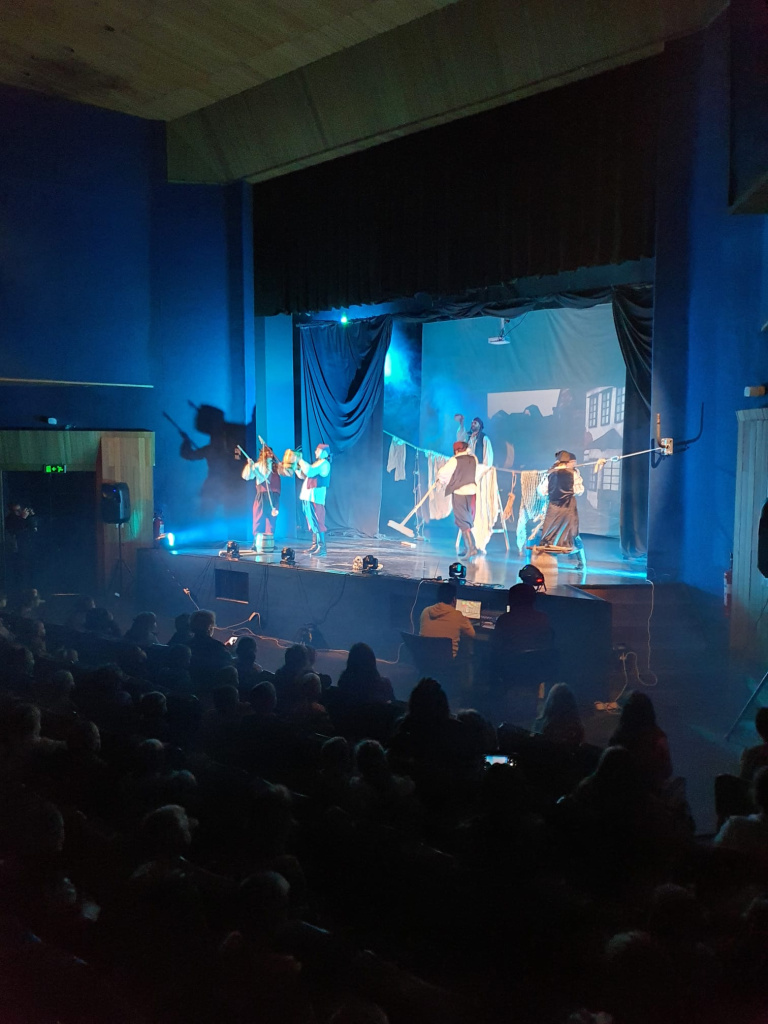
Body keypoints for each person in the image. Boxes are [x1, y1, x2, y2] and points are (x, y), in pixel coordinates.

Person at [537, 450, 586, 569]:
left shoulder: (550, 473)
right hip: (567, 508)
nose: (574, 464)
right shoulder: (573, 474)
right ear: (568, 462)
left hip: (554, 508)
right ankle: (581, 563)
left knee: (550, 535)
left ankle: (547, 564)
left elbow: (541, 491)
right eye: (573, 462)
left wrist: (554, 493)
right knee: (573, 534)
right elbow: (579, 490)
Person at [437, 440, 480, 558]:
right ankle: (469, 547)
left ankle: (471, 549)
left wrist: (442, 480)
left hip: (460, 492)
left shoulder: (455, 460)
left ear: (456, 450)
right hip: (472, 492)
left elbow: (442, 473)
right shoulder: (473, 458)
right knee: (467, 519)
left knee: (462, 520)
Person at [241, 443, 284, 554]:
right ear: (263, 453)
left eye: (271, 451)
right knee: (258, 518)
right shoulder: (257, 465)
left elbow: (285, 472)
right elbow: (247, 476)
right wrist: (250, 466)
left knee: (272, 519)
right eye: (268, 451)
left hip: (274, 496)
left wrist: (284, 465)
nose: (270, 453)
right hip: (262, 495)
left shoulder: (276, 467)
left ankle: (269, 542)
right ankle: (256, 542)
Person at [419, 581, 475, 657]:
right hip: (447, 660)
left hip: (425, 658)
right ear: (454, 599)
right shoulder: (457, 615)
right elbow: (472, 634)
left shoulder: (425, 611)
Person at [492, 582, 554, 652]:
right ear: (533, 600)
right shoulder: (543, 618)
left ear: (511, 600)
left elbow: (496, 645)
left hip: (510, 658)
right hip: (537, 658)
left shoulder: (504, 619)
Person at [296, 443, 331, 556]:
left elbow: (310, 471)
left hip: (316, 498)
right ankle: (315, 545)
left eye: (317, 450)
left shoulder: (324, 463)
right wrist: (296, 467)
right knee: (312, 522)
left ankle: (322, 547)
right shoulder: (317, 463)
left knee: (317, 521)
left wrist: (300, 460)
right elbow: (305, 475)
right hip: (308, 496)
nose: (315, 452)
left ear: (324, 452)